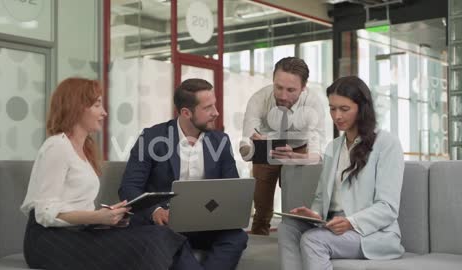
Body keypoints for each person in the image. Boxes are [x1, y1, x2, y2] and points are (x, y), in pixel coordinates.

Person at [21, 78, 187, 270]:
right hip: (48, 241)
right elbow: (44, 213)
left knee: (161, 235)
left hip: (76, 233)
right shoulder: (57, 147)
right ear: (77, 107)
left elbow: (76, 206)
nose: (104, 113)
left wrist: (108, 218)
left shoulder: (84, 150)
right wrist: (97, 217)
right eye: (97, 105)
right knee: (154, 239)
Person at [277, 76, 405, 270]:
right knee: (287, 228)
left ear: (362, 109)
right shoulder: (333, 147)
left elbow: (388, 207)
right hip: (332, 225)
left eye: (344, 109)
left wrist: (350, 222)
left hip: (373, 234)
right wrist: (314, 214)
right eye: (332, 108)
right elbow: (321, 198)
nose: (337, 116)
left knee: (313, 240)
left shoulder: (387, 144)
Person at [119, 78, 248, 270]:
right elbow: (129, 188)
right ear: (186, 112)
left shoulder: (221, 141)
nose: (216, 112)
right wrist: (155, 212)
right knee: (171, 239)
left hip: (206, 223)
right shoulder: (152, 138)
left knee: (237, 236)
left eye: (215, 105)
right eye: (208, 108)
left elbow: (231, 188)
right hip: (164, 225)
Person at [240, 57, 326, 235]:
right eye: (278, 87)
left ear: (304, 87)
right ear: (273, 81)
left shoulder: (313, 104)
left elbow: (317, 154)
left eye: (291, 90)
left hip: (300, 148)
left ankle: (300, 234)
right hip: (268, 146)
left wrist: (296, 157)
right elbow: (247, 141)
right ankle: (259, 232)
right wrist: (253, 146)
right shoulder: (259, 99)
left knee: (299, 199)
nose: (283, 95)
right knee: (262, 202)